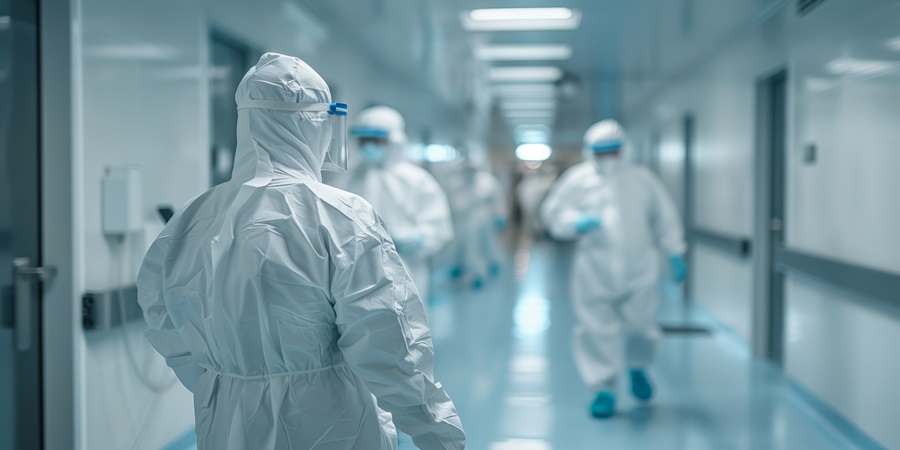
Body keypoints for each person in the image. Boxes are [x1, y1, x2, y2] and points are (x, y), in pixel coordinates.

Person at [137, 53, 465, 449]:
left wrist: (226, 381)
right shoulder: (341, 216)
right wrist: (439, 434)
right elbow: (390, 345)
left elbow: (163, 322)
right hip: (330, 421)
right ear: (316, 125)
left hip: (225, 420)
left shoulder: (190, 218)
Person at [541, 119, 687, 419]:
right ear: (590, 152)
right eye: (601, 152)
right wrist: (574, 222)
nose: (608, 159)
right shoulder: (577, 179)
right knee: (595, 329)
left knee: (642, 326)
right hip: (593, 268)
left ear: (624, 150)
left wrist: (674, 251)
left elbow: (665, 217)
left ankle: (638, 367)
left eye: (613, 151)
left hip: (641, 268)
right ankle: (603, 389)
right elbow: (554, 212)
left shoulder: (642, 179)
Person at [325, 106, 453, 303]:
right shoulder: (347, 176)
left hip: (405, 267)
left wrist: (420, 239)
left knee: (405, 322)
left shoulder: (416, 180)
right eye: (364, 140)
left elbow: (439, 225)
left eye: (376, 141)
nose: (369, 146)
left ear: (395, 142)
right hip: (353, 268)